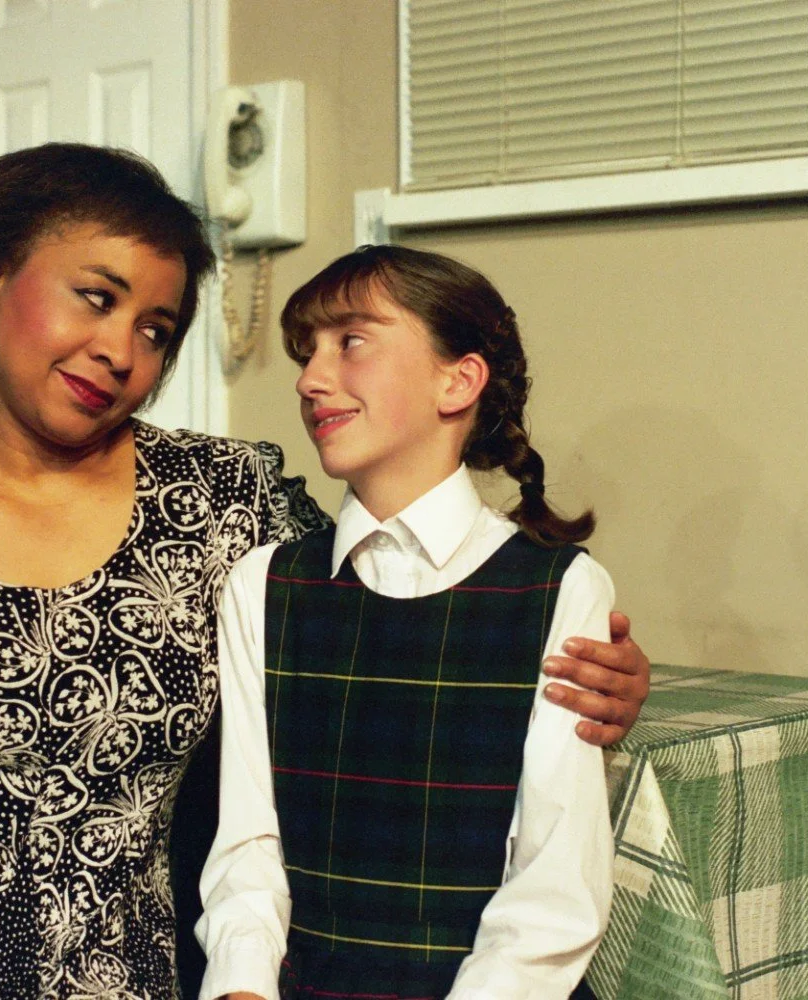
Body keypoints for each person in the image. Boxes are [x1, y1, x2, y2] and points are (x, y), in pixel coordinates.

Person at [0, 144, 650, 1000]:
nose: (122, 352)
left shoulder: (219, 500)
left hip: (125, 978)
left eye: (156, 330)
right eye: (96, 296)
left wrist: (607, 673)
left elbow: (408, 597)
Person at [198, 245, 617, 1000]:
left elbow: (554, 892)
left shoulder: (560, 589)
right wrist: (242, 987)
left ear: (457, 380)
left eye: (350, 342)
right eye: (308, 351)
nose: (309, 378)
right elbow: (249, 846)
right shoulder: (264, 585)